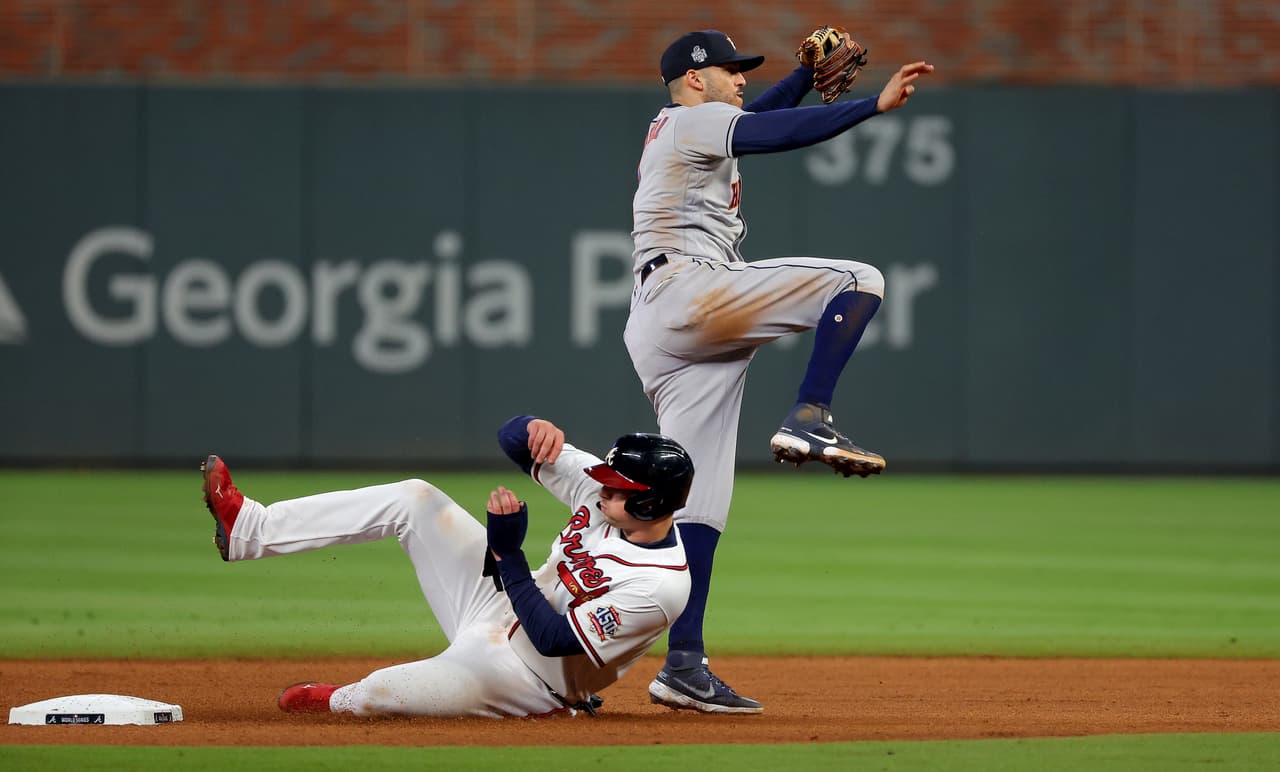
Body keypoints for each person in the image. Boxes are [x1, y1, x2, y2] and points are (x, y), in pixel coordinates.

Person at [625, 29, 935, 713]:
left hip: (666, 324)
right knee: (858, 279)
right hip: (689, 290)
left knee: (697, 504)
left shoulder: (686, 128)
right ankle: (810, 414)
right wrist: (872, 106)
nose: (741, 79)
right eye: (730, 70)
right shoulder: (689, 121)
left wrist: (799, 77)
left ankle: (683, 663)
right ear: (695, 79)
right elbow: (775, 133)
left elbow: (758, 118)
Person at [198, 415, 695, 718]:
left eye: (617, 489)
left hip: (524, 678)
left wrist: (508, 556)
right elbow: (511, 439)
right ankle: (250, 529)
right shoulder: (602, 493)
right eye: (605, 480)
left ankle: (339, 700)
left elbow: (552, 639)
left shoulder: (659, 586)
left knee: (378, 694)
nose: (602, 488)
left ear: (650, 504)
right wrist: (533, 429)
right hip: (501, 602)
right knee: (414, 499)